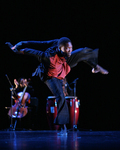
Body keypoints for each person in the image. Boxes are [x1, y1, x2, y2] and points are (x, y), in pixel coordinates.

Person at [6, 37, 108, 135]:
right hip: (50, 76)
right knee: (60, 95)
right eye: (67, 49)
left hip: (63, 64)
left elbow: (41, 43)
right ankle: (63, 127)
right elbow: (30, 50)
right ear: (60, 48)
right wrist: (18, 48)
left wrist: (24, 42)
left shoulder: (59, 44)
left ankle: (96, 67)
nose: (69, 50)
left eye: (71, 48)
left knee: (83, 51)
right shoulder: (47, 57)